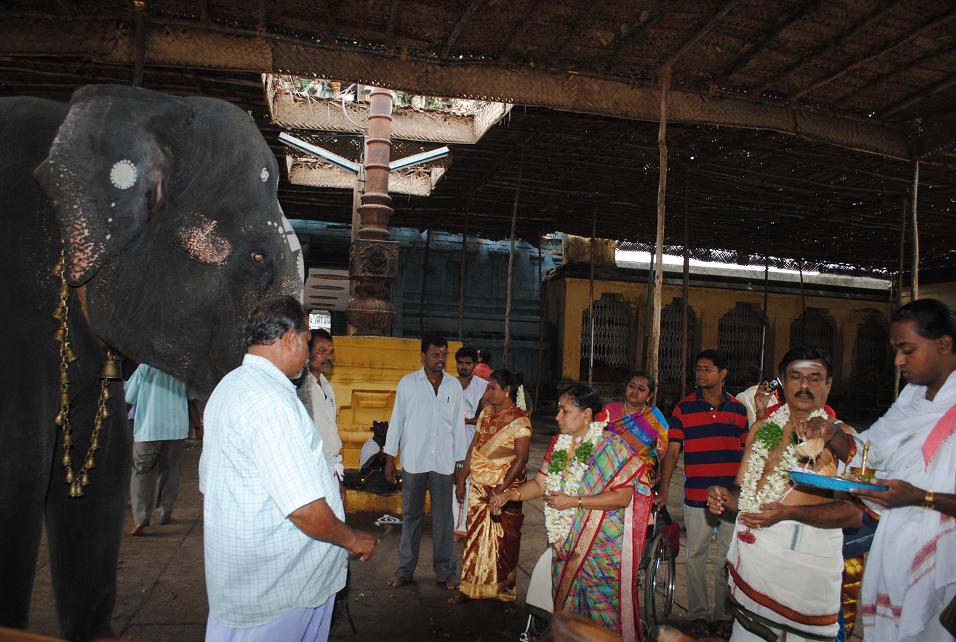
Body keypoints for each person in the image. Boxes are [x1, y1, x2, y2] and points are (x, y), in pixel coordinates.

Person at [200, 296, 376, 641]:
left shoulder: (230, 385)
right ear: (289, 338)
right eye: (308, 343)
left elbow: (209, 483)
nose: (309, 353)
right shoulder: (272, 402)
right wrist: (352, 539)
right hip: (280, 588)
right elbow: (305, 510)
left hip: (245, 578)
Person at [810, 299, 956, 642]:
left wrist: (922, 497)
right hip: (898, 549)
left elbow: (920, 489)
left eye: (907, 349)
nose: (898, 361)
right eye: (895, 350)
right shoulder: (911, 400)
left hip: (946, 561)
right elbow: (867, 453)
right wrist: (830, 432)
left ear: (944, 345)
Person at [707, 347, 863, 641]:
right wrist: (720, 496)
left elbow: (853, 515)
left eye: (814, 378)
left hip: (803, 581)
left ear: (828, 386)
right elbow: (743, 493)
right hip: (753, 574)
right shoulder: (762, 428)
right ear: (782, 380)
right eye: (796, 376)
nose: (804, 386)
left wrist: (788, 514)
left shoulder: (842, 438)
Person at [491, 384, 650, 641]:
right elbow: (540, 484)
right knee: (568, 618)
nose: (557, 417)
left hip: (602, 547)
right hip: (565, 544)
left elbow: (623, 496)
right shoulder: (559, 445)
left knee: (601, 620)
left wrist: (575, 502)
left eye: (564, 411)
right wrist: (510, 494)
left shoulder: (611, 445)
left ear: (586, 414)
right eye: (558, 410)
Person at [658, 349, 749, 638]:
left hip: (731, 499)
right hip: (697, 495)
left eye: (708, 369)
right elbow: (672, 451)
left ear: (723, 374)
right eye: (698, 369)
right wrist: (663, 489)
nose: (701, 374)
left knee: (727, 556)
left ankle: (724, 614)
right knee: (695, 556)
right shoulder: (683, 409)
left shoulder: (739, 410)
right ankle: (697, 614)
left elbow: (748, 453)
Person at [384, 334, 468, 590]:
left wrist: (460, 467)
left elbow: (458, 428)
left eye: (443, 355)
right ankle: (405, 569)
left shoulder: (453, 387)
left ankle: (446, 571)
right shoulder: (408, 384)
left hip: (443, 462)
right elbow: (397, 421)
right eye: (435, 355)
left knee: (443, 518)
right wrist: (390, 458)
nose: (440, 359)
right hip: (414, 460)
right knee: (412, 516)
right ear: (423, 356)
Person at [450, 369, 531, 605]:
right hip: (479, 486)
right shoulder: (485, 414)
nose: (487, 393)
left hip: (507, 489)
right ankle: (469, 587)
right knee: (474, 539)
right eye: (488, 387)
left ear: (507, 391)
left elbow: (522, 459)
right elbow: (473, 450)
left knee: (506, 542)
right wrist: (461, 480)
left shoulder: (520, 420)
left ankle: (506, 593)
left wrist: (502, 490)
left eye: (492, 387)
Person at [124, 363, 189, 536]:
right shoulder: (182, 363)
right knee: (170, 470)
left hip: (149, 427)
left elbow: (129, 395)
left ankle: (141, 518)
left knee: (142, 471)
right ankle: (164, 512)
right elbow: (191, 392)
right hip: (176, 425)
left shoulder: (146, 366)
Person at [603, 370, 669, 476]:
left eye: (641, 389)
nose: (635, 391)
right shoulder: (609, 410)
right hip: (606, 469)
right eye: (632, 386)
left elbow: (664, 451)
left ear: (649, 395)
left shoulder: (655, 417)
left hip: (640, 474)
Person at [454, 346, 489, 540]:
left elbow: (486, 416)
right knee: (454, 483)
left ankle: (465, 527)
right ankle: (456, 526)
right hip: (452, 440)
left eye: (468, 363)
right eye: (460, 363)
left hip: (473, 440)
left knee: (467, 483)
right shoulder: (449, 384)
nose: (464, 366)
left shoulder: (483, 386)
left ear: (475, 365)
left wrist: (467, 420)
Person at [299, 329, 344, 481]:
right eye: (321, 351)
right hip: (311, 467)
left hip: (332, 464)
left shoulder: (327, 386)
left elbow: (330, 428)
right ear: (307, 352)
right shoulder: (300, 387)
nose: (328, 357)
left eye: (330, 352)